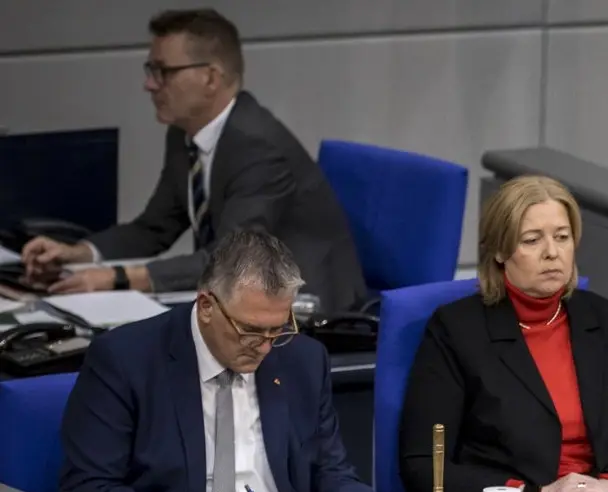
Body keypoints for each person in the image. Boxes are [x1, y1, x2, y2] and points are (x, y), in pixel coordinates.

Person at [59, 227, 394, 492]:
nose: (264, 346)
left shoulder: (301, 359)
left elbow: (326, 470)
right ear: (206, 306)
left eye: (277, 329)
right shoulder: (126, 360)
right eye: (249, 330)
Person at [20, 8, 366, 312]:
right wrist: (77, 254)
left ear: (211, 78)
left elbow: (231, 259)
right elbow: (155, 228)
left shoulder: (259, 148)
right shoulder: (184, 133)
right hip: (237, 296)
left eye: (162, 71)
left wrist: (118, 278)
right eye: (150, 70)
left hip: (307, 311)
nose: (149, 85)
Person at [398, 175, 608, 492]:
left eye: (562, 237)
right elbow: (422, 465)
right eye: (532, 240)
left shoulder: (606, 320)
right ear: (499, 250)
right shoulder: (456, 331)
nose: (552, 253)